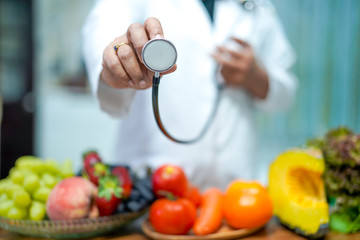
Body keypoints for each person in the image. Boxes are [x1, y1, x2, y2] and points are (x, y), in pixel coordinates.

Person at [82, 0, 297, 190]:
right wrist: (115, 65)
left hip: (236, 196)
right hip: (154, 190)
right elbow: (104, 30)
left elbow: (287, 94)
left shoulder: (256, 7)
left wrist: (257, 78)